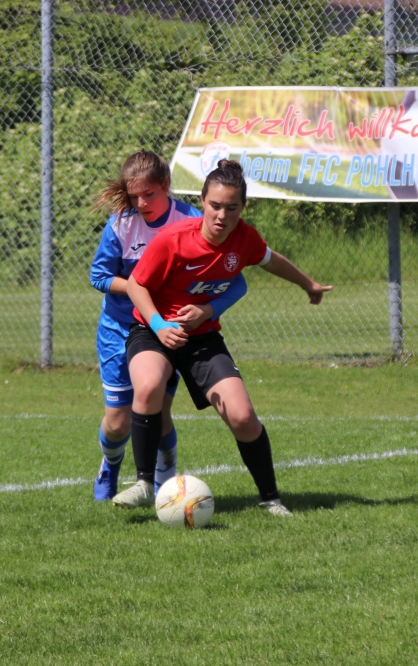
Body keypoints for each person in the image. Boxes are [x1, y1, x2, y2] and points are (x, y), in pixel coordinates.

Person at [111, 159, 332, 516]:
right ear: (202, 201)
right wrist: (159, 325)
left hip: (202, 339)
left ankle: (271, 499)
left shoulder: (245, 238)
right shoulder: (173, 239)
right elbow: (136, 285)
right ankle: (144, 483)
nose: (221, 215)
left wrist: (308, 284)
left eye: (231, 208)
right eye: (215, 205)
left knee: (243, 416)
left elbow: (272, 260)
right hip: (153, 331)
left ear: (242, 208)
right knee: (149, 386)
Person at [89, 151, 248, 501]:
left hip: (165, 332)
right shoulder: (121, 225)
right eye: (134, 196)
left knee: (158, 410)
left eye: (149, 194)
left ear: (166, 185)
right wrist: (139, 287)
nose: (141, 203)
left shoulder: (191, 220)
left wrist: (205, 309)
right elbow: (99, 276)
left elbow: (235, 278)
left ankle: (163, 480)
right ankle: (110, 467)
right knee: (117, 421)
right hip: (119, 327)